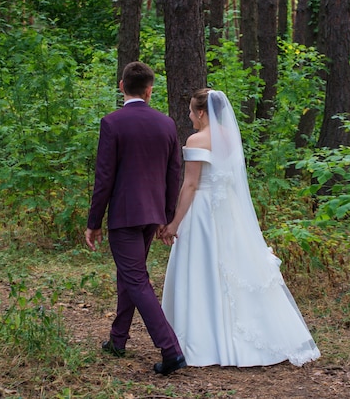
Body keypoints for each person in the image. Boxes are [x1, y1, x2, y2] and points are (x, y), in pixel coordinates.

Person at [159, 88, 321, 368]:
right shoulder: (230, 136)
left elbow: (191, 184)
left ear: (201, 112)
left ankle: (205, 340)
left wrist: (174, 223)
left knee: (203, 269)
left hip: (203, 212)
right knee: (233, 269)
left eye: (190, 111)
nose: (189, 116)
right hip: (229, 212)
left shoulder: (197, 138)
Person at [85, 61, 187, 376]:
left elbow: (104, 178)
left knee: (136, 279)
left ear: (121, 87)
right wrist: (166, 217)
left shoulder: (112, 123)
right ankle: (118, 340)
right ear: (149, 90)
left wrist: (93, 222)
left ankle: (171, 350)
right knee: (130, 277)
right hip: (151, 214)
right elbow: (174, 174)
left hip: (125, 215)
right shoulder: (167, 124)